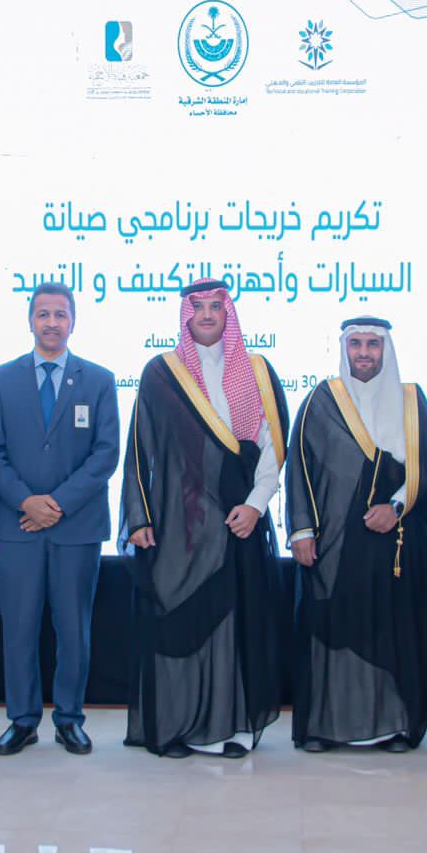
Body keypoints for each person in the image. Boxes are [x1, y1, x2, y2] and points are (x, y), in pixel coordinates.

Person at [119, 279, 289, 758]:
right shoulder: (161, 373)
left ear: (228, 313)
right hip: (180, 525)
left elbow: (273, 446)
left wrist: (256, 505)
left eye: (217, 306)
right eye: (199, 308)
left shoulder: (257, 371)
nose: (208, 315)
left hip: (239, 522)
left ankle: (232, 730)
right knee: (180, 622)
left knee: (233, 625)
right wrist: (139, 517)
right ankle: (177, 728)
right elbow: (140, 448)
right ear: (186, 315)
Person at [285, 317, 427, 753]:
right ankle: (325, 727)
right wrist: (301, 530)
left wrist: (396, 507)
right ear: (344, 348)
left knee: (391, 632)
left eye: (372, 344)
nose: (363, 353)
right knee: (332, 630)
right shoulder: (321, 400)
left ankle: (395, 727)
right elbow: (299, 467)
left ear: (385, 350)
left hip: (394, 541)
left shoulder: (412, 400)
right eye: (355, 344)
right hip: (334, 543)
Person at [0, 282, 119, 756]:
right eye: (43, 314)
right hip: (17, 527)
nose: (52, 323)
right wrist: (26, 503)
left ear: (73, 321)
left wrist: (55, 504)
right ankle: (21, 720)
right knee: (18, 628)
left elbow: (106, 454)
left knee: (73, 628)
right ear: (30, 321)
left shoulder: (98, 380)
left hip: (76, 528)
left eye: (60, 314)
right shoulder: (2, 379)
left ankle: (69, 719)